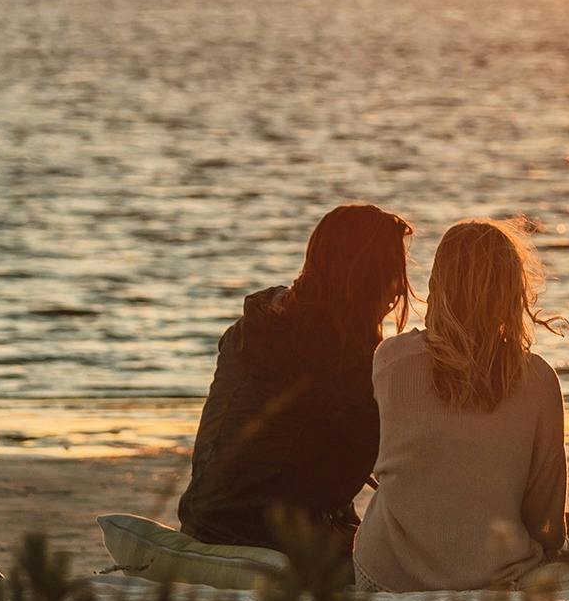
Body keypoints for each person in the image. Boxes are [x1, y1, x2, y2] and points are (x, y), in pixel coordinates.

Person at [177, 202, 412, 559]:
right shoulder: (332, 350)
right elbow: (391, 447)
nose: (397, 292)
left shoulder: (259, 327)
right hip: (263, 532)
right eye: (392, 274)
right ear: (365, 278)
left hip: (205, 518)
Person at [354, 219, 569, 592]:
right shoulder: (538, 379)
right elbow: (545, 519)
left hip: (386, 575)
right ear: (512, 291)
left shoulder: (390, 360)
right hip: (497, 578)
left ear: (438, 285)